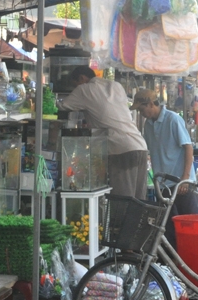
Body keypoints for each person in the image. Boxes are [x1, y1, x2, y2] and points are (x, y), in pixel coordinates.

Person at [59, 66, 148, 200]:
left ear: (82, 78)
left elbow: (61, 106)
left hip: (120, 149)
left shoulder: (84, 89)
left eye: (75, 84)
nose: (74, 88)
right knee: (138, 200)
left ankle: (121, 222)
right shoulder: (116, 86)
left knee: (122, 201)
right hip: (139, 146)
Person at [131, 88, 198, 248]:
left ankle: (193, 259)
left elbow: (188, 147)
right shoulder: (148, 125)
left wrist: (185, 178)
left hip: (181, 183)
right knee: (168, 229)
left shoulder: (173, 119)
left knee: (190, 225)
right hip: (163, 184)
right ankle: (173, 264)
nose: (141, 113)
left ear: (150, 104)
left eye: (141, 109)